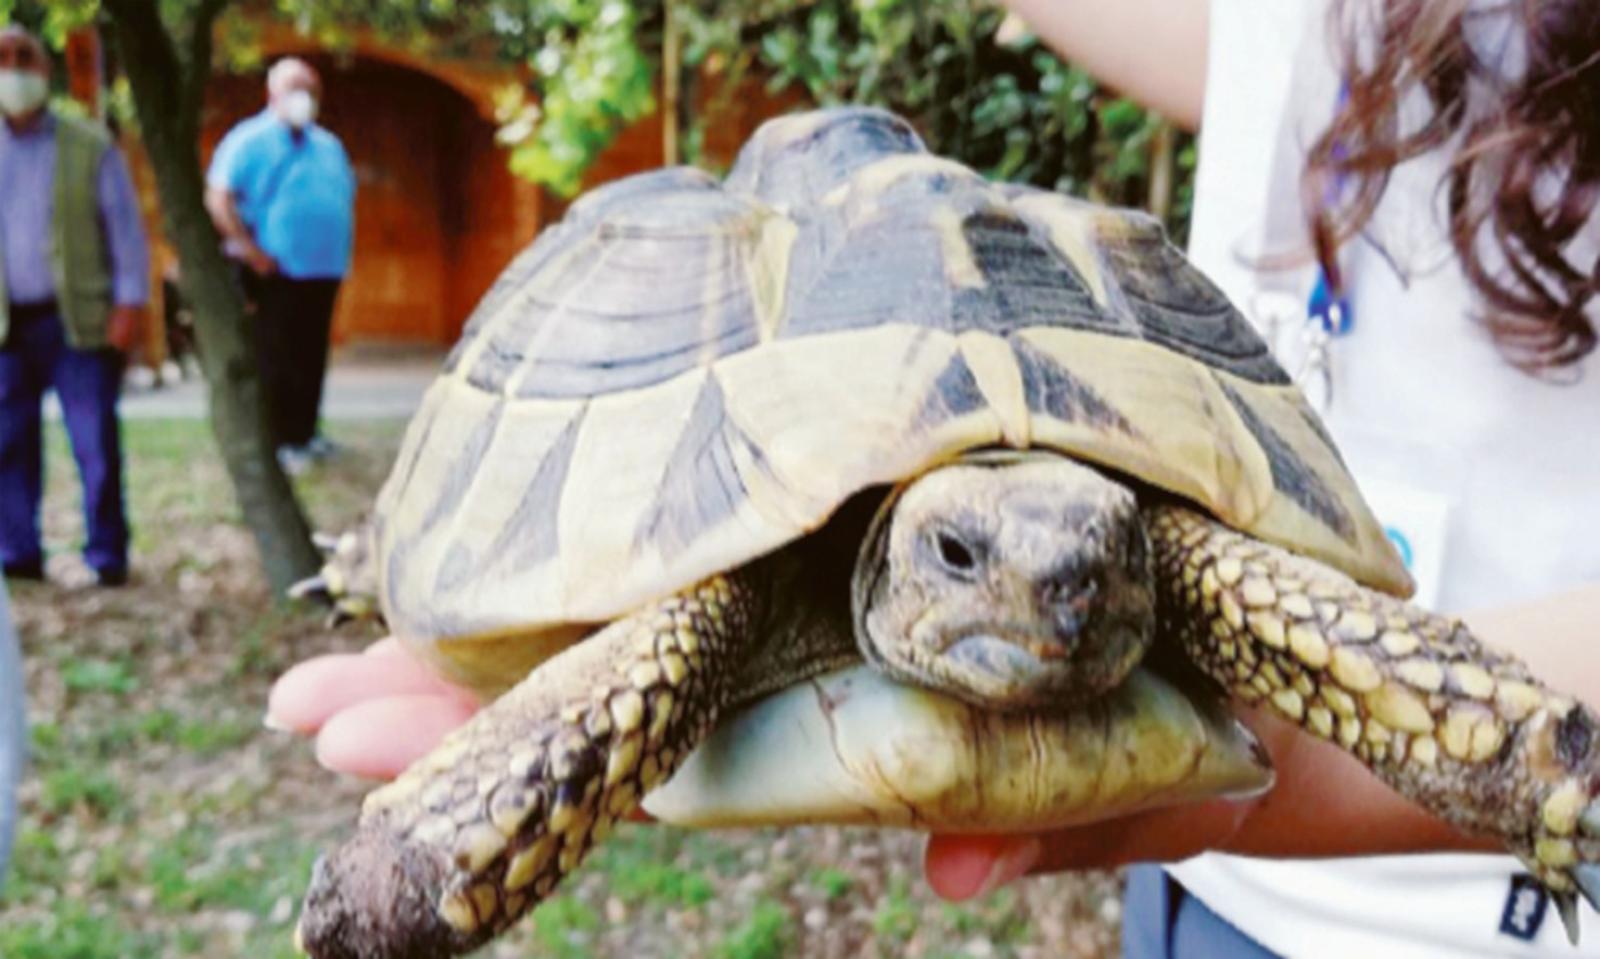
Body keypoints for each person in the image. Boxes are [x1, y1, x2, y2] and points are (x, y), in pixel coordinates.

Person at [267, 2, 1600, 954]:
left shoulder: (1161, 561)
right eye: (965, 558)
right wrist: (431, 863)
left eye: (1097, 560)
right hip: (1215, 908)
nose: (1056, 596)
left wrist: (1526, 766)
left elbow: (1226, 583)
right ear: (897, 551)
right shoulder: (1323, 34)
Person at [0, 24, 147, 587]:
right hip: (9, 326)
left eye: (25, 57)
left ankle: (107, 554)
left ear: (45, 70)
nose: (13, 67)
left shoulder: (89, 145)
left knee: (95, 444)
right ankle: (17, 552)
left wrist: (128, 305)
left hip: (78, 322)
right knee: (9, 444)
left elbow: (126, 234)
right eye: (4, 57)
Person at [204, 57, 354, 476]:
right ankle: (281, 439)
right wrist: (250, 252)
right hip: (276, 272)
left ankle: (306, 432)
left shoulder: (328, 145)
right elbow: (219, 199)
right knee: (277, 356)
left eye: (310, 88)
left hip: (324, 269)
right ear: (272, 93)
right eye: (295, 87)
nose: (303, 97)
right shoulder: (248, 141)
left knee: (312, 355)